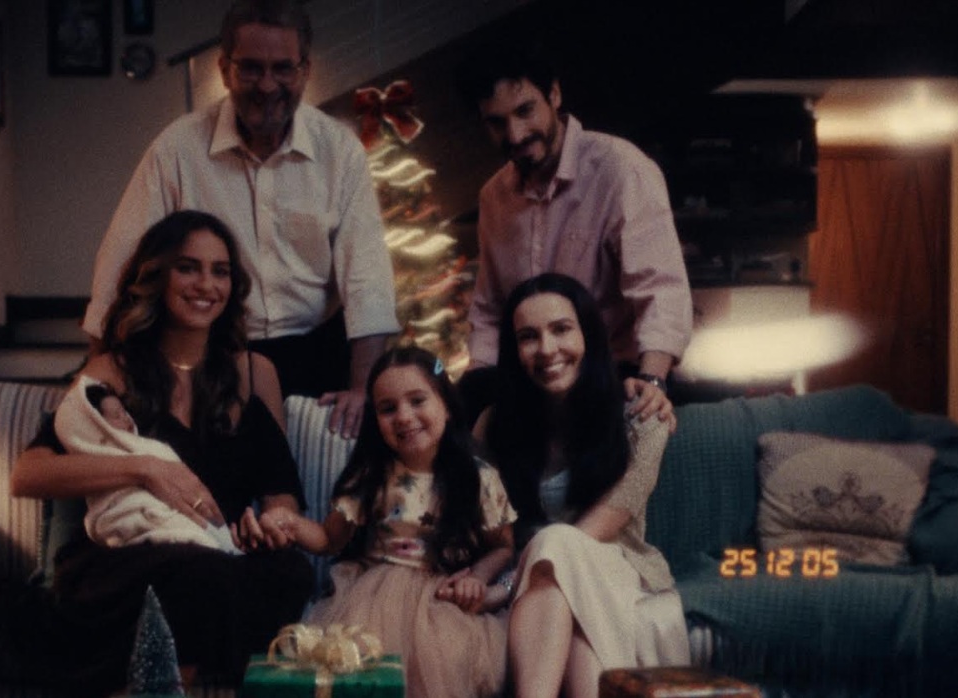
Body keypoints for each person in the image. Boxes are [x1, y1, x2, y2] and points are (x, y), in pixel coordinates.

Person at [0, 210, 315, 695]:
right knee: (198, 575)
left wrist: (274, 525)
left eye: (220, 271)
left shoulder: (255, 372)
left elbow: (281, 490)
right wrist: (144, 469)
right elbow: (28, 474)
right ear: (157, 277)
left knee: (290, 573)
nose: (206, 284)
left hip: (221, 555)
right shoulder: (112, 370)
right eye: (188, 267)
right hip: (127, 559)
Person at [83, 0, 399, 438]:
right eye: (250, 68)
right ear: (224, 69)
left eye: (282, 69)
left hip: (317, 349)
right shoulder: (177, 149)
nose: (267, 86)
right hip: (214, 353)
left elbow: (367, 278)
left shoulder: (340, 151)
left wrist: (363, 387)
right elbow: (120, 264)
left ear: (305, 70)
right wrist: (95, 379)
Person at [454, 41, 692, 429]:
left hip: (613, 372)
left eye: (525, 111)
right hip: (534, 377)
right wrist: (477, 386)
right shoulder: (493, 197)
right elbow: (490, 309)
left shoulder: (621, 169)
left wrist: (652, 380)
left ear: (554, 95)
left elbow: (660, 288)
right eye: (496, 122)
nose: (515, 135)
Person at [476, 273, 691, 698]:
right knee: (564, 595)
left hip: (616, 566)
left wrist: (508, 585)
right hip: (541, 583)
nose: (547, 349)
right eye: (528, 337)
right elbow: (482, 520)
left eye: (561, 329)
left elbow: (603, 524)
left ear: (588, 335)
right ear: (514, 351)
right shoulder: (494, 424)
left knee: (556, 543)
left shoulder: (641, 417)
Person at [260, 345, 516, 698]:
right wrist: (288, 522)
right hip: (374, 595)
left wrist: (478, 577)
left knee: (447, 657)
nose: (404, 417)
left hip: (444, 596)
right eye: (388, 408)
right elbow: (328, 539)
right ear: (375, 419)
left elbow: (503, 546)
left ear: (445, 403)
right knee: (361, 660)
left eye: (417, 401)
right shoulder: (371, 476)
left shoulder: (478, 477)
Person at [53, 376, 239, 552]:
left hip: (191, 520)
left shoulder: (146, 446)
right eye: (117, 415)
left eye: (124, 412)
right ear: (99, 427)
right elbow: (114, 504)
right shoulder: (102, 464)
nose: (125, 418)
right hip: (142, 526)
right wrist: (143, 473)